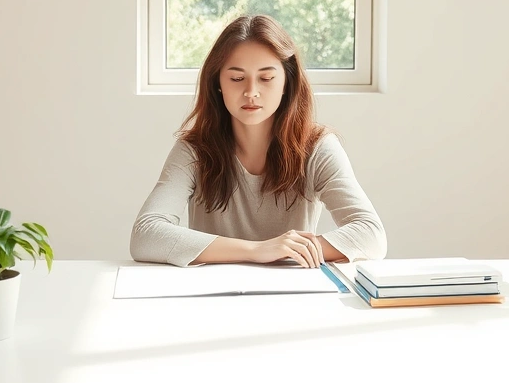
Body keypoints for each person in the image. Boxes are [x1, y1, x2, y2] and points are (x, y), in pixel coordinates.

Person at [130, 14, 387, 268]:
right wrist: (258, 250)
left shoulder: (317, 147)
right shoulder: (194, 150)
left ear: (287, 81)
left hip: (293, 296)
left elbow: (371, 235)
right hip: (213, 298)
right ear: (217, 83)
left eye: (266, 78)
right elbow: (146, 234)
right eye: (237, 78)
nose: (251, 92)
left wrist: (290, 250)